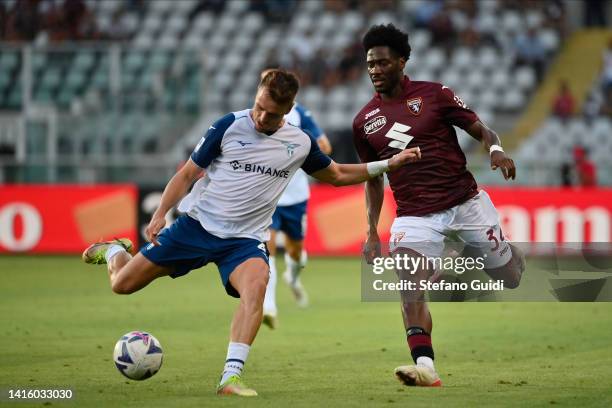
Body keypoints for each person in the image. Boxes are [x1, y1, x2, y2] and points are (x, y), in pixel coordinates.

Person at [82, 69, 421, 397]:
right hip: (196, 227)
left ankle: (231, 376)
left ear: (288, 110)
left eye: (271, 113)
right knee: (122, 284)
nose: (261, 117)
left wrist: (388, 165)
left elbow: (337, 174)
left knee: (256, 286)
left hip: (243, 242)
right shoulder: (228, 126)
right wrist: (160, 213)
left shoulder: (299, 143)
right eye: (258, 106)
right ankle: (113, 250)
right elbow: (187, 174)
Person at [352, 24, 525, 388]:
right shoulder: (364, 122)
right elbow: (373, 178)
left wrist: (495, 150)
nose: (375, 70)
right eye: (370, 64)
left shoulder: (434, 94)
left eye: (382, 63)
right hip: (415, 214)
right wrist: (370, 230)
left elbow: (481, 129)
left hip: (465, 203)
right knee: (409, 284)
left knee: (510, 278)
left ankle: (502, 249)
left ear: (402, 61)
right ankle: (426, 366)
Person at [262, 101, 332, 329]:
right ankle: (269, 307)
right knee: (267, 250)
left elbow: (326, 147)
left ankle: (292, 277)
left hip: (296, 198)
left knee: (296, 253)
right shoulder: (259, 114)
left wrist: (301, 150)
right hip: (270, 196)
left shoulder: (300, 114)